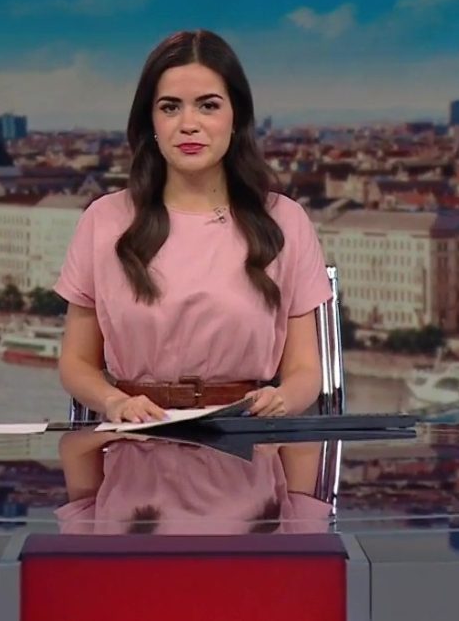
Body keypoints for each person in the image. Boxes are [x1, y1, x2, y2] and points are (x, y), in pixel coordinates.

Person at [53, 29, 331, 424]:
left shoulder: (285, 221)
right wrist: (114, 403)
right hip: (135, 434)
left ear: (236, 117)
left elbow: (305, 372)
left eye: (208, 106)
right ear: (150, 120)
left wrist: (282, 400)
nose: (188, 124)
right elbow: (76, 363)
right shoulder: (103, 220)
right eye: (170, 107)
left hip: (247, 437)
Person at [56, 430, 331, 535]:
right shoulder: (286, 570)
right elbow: (307, 448)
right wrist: (274, 428)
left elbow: (73, 451)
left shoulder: (107, 582)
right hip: (245, 438)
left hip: (139, 434)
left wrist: (116, 429)